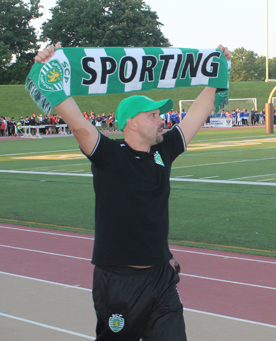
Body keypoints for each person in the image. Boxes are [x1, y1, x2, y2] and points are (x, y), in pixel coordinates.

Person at [34, 42, 231, 341]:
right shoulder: (108, 155)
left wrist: (217, 70)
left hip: (161, 277)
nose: (161, 119)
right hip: (118, 281)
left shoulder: (164, 150)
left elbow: (198, 113)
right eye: (152, 115)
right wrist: (50, 70)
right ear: (131, 124)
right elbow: (74, 119)